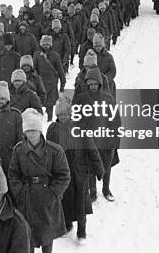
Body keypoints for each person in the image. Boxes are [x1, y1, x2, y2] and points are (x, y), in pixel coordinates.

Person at [8, 109, 71, 253]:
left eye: (34, 130)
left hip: (47, 200)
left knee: (47, 237)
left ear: (40, 131)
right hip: (27, 199)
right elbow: (13, 173)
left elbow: (64, 175)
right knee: (27, 236)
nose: (31, 134)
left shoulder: (55, 150)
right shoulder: (19, 150)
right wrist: (20, 192)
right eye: (28, 131)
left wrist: (53, 193)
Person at [46, 98, 103, 241]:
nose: (63, 118)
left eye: (65, 114)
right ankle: (67, 223)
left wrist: (98, 168)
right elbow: (48, 151)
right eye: (60, 115)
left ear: (71, 114)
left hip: (79, 172)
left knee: (80, 202)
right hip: (60, 172)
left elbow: (92, 149)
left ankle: (82, 230)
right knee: (64, 199)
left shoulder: (81, 128)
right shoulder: (52, 130)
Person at [72, 68, 120, 202]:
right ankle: (92, 192)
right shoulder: (82, 99)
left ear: (100, 83)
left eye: (95, 84)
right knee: (90, 165)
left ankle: (106, 189)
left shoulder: (108, 98)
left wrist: (115, 139)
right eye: (90, 84)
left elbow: (115, 120)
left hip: (106, 138)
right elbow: (76, 117)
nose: (93, 86)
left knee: (107, 165)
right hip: (89, 139)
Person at [33, 36, 66, 121]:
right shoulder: (37, 55)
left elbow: (60, 69)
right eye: (44, 44)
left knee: (50, 103)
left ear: (50, 45)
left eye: (47, 44)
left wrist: (63, 83)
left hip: (52, 82)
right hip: (40, 82)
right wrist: (36, 78)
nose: (46, 46)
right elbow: (34, 68)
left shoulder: (55, 56)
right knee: (39, 101)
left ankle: (49, 119)